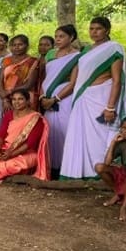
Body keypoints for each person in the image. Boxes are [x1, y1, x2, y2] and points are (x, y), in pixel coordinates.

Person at [60, 17, 126, 180]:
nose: (94, 32)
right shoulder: (86, 51)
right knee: (81, 135)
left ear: (107, 30)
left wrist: (110, 107)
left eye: (98, 28)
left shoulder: (114, 49)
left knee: (98, 135)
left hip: (101, 97)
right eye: (91, 29)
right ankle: (80, 172)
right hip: (83, 98)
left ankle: (99, 172)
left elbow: (117, 80)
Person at [0, 88, 49, 183]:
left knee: (12, 165)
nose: (17, 102)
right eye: (14, 99)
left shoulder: (36, 119)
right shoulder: (9, 115)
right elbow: (1, 134)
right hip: (5, 148)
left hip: (25, 153)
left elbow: (30, 144)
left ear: (28, 101)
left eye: (20, 99)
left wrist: (11, 154)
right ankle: (1, 173)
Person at [39, 25, 79, 177]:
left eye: (62, 36)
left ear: (71, 37)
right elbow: (45, 79)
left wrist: (55, 99)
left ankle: (66, 168)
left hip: (64, 101)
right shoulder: (50, 54)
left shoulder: (77, 56)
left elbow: (73, 83)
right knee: (50, 132)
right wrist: (43, 98)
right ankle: (52, 167)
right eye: (56, 36)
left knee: (64, 132)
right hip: (46, 100)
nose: (58, 39)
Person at [96, 117, 126, 221]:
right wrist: (113, 142)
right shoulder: (122, 144)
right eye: (124, 128)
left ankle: (123, 208)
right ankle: (118, 194)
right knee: (99, 167)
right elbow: (106, 163)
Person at [0, 35, 39, 112]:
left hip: (25, 98)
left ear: (27, 46)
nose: (16, 47)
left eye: (20, 45)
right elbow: (0, 81)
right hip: (7, 100)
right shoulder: (6, 61)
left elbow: (29, 84)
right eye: (14, 45)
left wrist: (9, 92)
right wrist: (5, 99)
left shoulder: (33, 61)